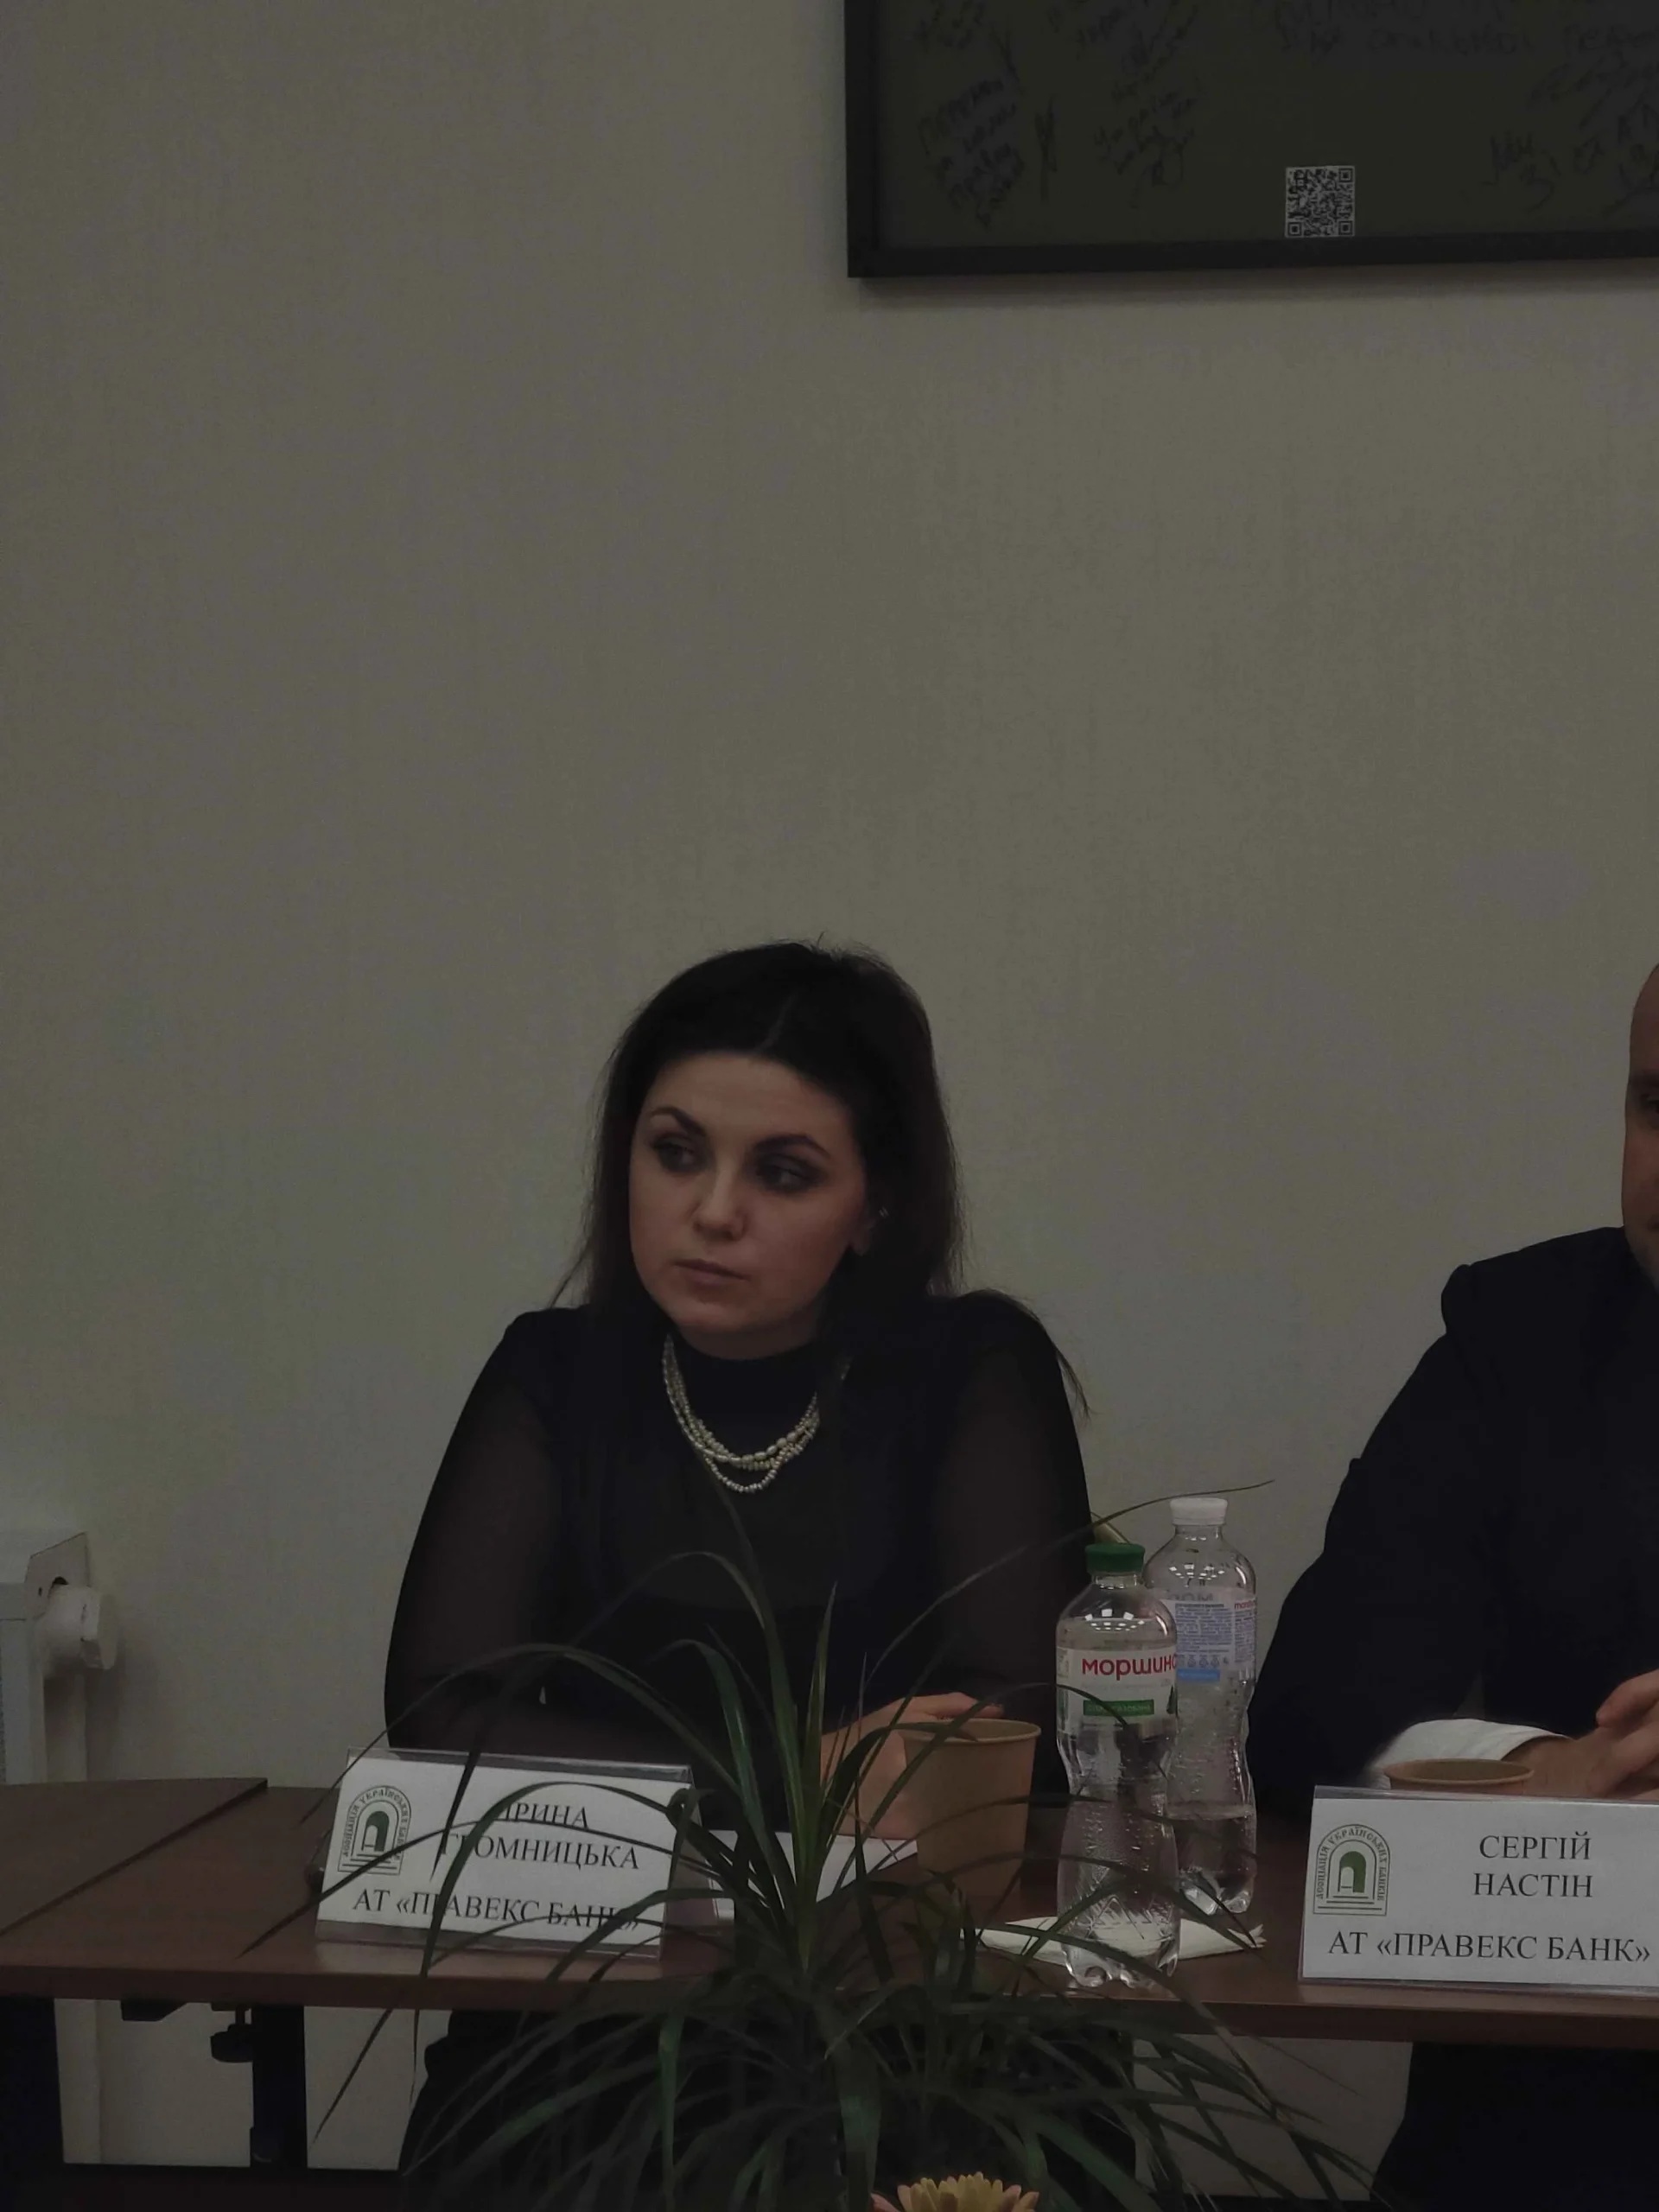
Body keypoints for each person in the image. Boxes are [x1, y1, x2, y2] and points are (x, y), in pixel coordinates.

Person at [383, 941, 1092, 2189]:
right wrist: (808, 1778)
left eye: (783, 1172)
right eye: (676, 1153)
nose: (713, 1211)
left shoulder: (971, 1370)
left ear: (876, 1205)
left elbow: (1012, 1723)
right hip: (601, 2007)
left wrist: (669, 1783)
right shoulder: (557, 1373)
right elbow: (445, 1708)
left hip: (910, 2019)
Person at [1250, 963, 1659, 2212]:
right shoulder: (1522, 1335)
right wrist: (1546, 1777)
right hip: (1552, 2133)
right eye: (1658, 1107)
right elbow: (1315, 1713)